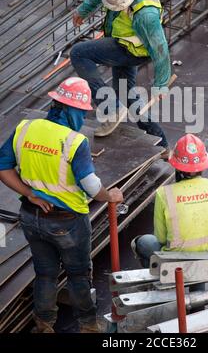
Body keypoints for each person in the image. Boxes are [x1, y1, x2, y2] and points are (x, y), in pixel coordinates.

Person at [0, 77, 123, 333]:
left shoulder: (25, 128)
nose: (83, 116)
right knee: (78, 274)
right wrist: (109, 196)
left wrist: (29, 192)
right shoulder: (74, 142)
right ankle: (89, 326)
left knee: (45, 273)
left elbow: (3, 167)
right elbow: (90, 186)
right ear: (71, 109)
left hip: (31, 216)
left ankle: (44, 325)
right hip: (68, 222)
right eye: (82, 111)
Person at [70, 0, 171, 157]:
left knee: (78, 53)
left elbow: (161, 50)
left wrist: (161, 83)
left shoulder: (146, 15)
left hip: (133, 51)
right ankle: (162, 145)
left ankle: (110, 109)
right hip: (121, 39)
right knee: (126, 93)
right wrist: (84, 10)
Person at [131, 134, 208, 268]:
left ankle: (161, 279)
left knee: (142, 242)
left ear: (177, 166)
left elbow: (161, 238)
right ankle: (197, 285)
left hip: (179, 262)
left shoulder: (165, 193)